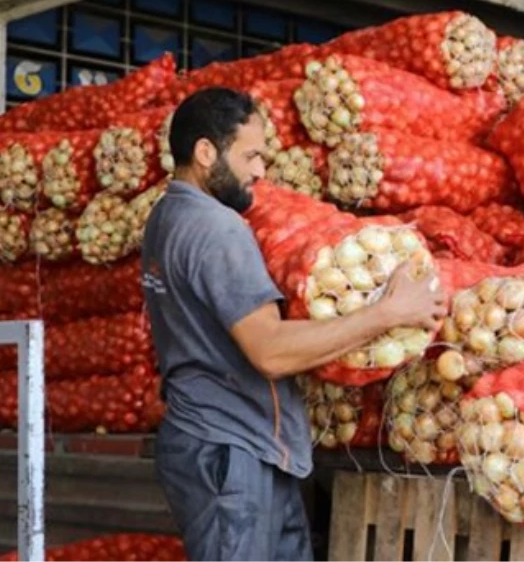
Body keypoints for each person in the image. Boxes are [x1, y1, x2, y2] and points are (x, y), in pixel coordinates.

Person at [141, 87, 447, 561]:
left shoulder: (166, 215)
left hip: (222, 441)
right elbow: (270, 351)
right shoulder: (216, 228)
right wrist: (389, 313)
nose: (260, 172)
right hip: (230, 450)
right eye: (251, 156)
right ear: (205, 152)